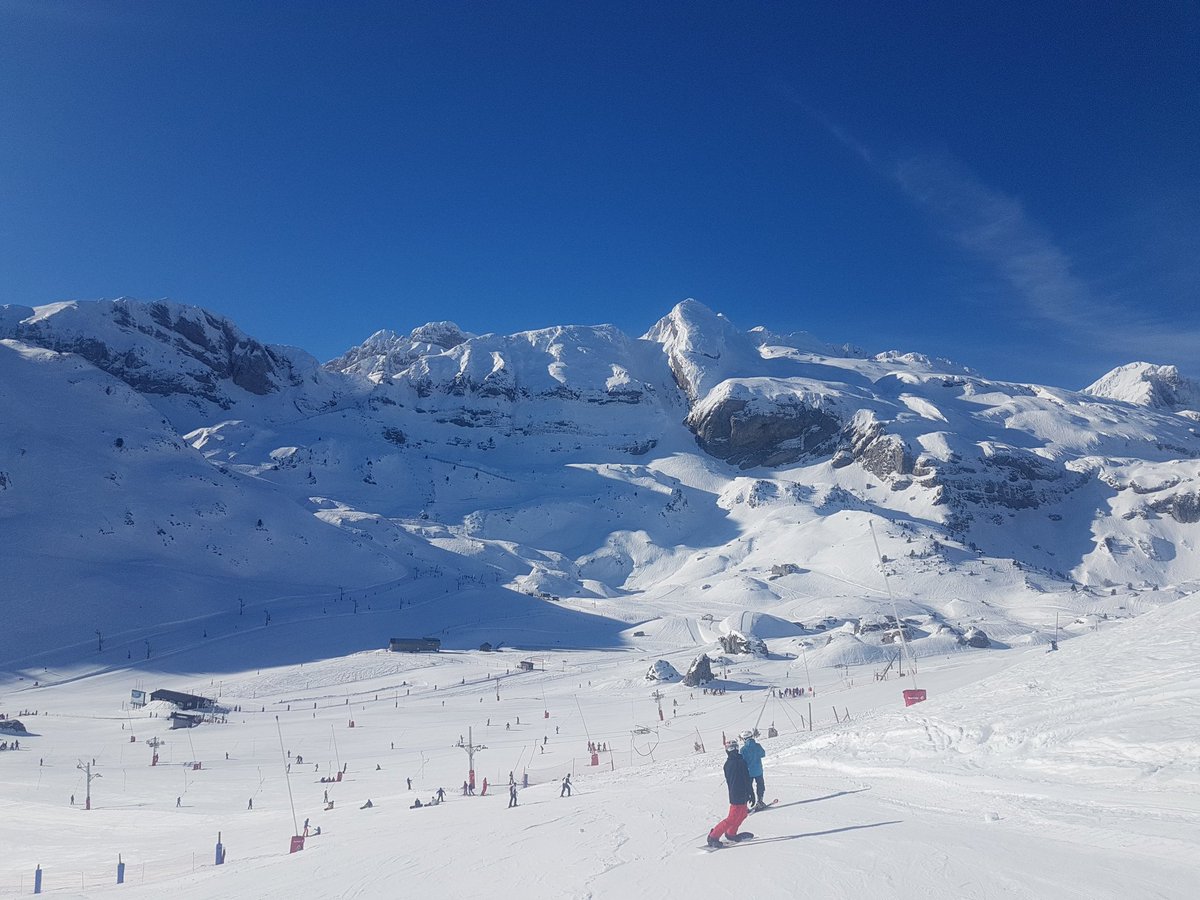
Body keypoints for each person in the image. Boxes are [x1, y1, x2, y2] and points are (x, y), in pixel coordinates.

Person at [706, 740, 753, 849]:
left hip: (744, 794)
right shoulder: (730, 764)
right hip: (736, 795)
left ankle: (731, 833)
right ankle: (713, 836)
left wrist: (750, 792)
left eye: (736, 749)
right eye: (732, 749)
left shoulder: (741, 761)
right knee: (732, 818)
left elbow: (746, 778)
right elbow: (734, 781)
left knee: (743, 815)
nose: (735, 752)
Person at [739, 730, 768, 810]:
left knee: (748, 788)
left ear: (744, 739)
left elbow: (742, 761)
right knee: (760, 785)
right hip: (758, 770)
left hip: (748, 772)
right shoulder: (757, 746)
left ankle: (745, 806)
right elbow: (763, 754)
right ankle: (760, 801)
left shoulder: (743, 749)